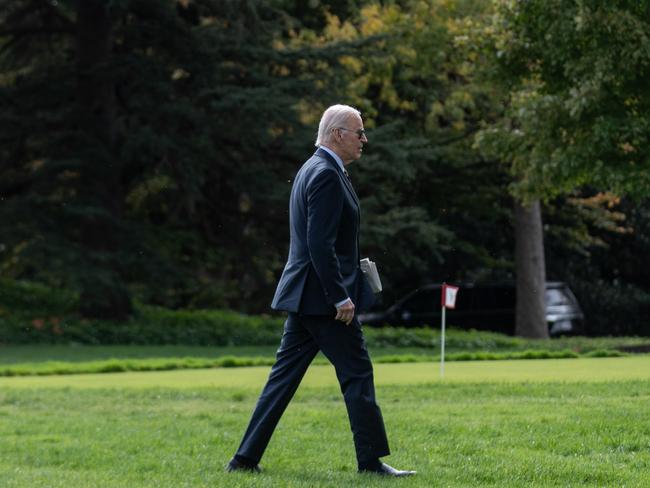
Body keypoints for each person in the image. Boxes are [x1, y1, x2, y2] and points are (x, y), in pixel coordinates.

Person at [226, 104, 416, 477]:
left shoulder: (314, 168)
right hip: (324, 301)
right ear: (336, 134)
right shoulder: (326, 174)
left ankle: (243, 460)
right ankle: (371, 463)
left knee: (283, 379)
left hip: (305, 296)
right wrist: (339, 296)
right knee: (357, 372)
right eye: (358, 132)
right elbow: (319, 244)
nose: (364, 139)